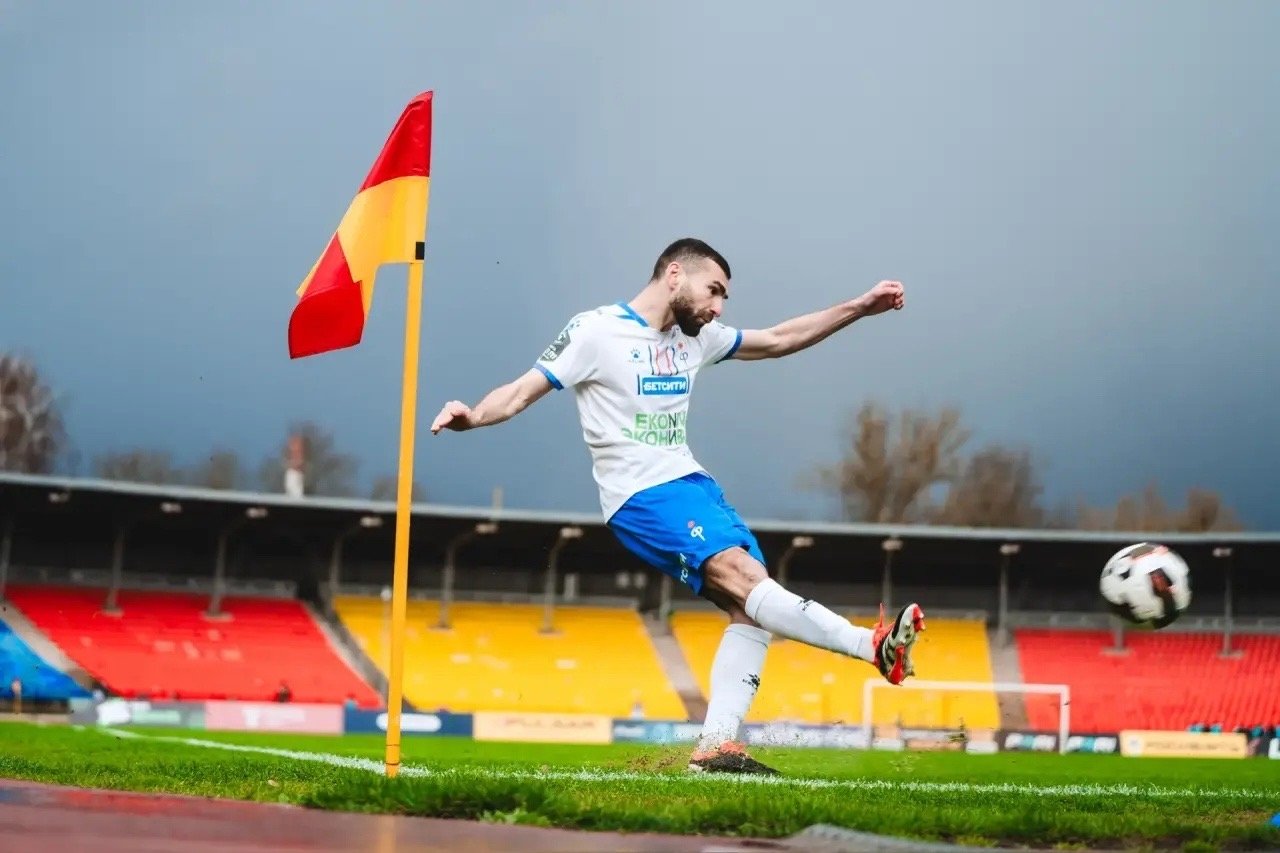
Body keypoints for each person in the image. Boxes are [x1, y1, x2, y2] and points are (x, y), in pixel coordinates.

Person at [429, 238, 925, 775]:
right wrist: (473, 416)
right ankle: (872, 647)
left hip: (693, 486)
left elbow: (779, 339)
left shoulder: (697, 337)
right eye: (714, 291)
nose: (719, 307)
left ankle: (715, 747)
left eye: (724, 298)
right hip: (641, 494)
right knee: (746, 578)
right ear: (674, 275)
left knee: (750, 603)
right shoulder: (596, 331)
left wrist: (859, 307)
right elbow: (522, 390)